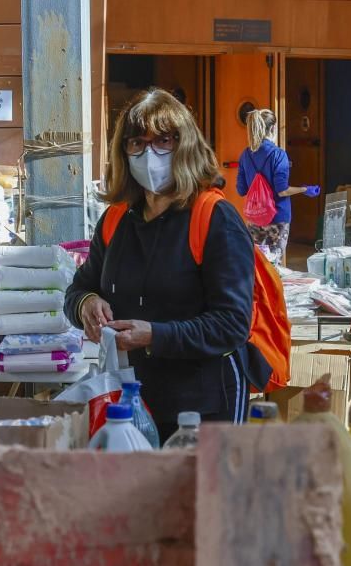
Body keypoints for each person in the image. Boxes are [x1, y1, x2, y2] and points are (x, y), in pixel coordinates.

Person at [65, 88, 257, 440]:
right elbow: (79, 288)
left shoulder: (215, 218)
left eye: (163, 141)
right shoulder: (116, 219)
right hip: (132, 402)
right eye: (136, 143)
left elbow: (232, 323)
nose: (149, 154)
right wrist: (86, 304)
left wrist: (155, 334)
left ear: (184, 145)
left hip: (204, 405)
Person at [235, 108, 318, 263]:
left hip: (254, 218)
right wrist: (305, 189)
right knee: (273, 265)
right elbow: (282, 191)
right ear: (272, 128)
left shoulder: (245, 155)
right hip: (277, 218)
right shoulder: (278, 155)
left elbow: (241, 190)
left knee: (256, 265)